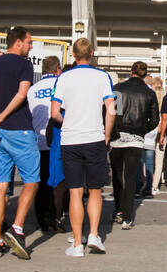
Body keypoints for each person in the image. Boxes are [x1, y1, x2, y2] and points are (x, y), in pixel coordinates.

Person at [0, 27, 39, 259]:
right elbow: (22, 94)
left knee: (1, 183)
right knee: (31, 180)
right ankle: (18, 228)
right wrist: (1, 116)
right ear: (19, 42)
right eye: (29, 42)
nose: (31, 46)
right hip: (19, 129)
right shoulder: (24, 65)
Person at [50, 37, 115, 257]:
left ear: (73, 55)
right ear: (92, 53)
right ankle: (95, 234)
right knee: (95, 190)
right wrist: (106, 135)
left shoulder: (64, 78)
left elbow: (54, 112)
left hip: (70, 139)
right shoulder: (102, 77)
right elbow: (111, 110)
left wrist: (67, 122)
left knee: (75, 192)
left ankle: (77, 243)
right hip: (95, 137)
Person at [110, 62, 159, 229]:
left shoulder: (119, 88)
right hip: (136, 138)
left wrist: (113, 131)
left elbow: (114, 113)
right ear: (145, 75)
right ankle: (127, 216)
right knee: (131, 177)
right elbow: (154, 120)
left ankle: (118, 210)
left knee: (117, 176)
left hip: (117, 137)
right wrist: (141, 130)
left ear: (131, 72)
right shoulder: (149, 93)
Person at [30, 55, 67, 235]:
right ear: (57, 69)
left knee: (39, 182)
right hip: (57, 141)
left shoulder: (32, 89)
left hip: (36, 141)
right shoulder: (61, 85)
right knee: (58, 183)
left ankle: (40, 219)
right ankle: (55, 217)